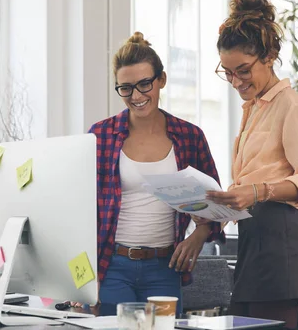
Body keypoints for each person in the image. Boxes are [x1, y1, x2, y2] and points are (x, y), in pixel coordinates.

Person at [206, 0, 298, 329]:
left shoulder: (291, 106)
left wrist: (255, 192)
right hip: (253, 237)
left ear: (269, 56)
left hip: (280, 239)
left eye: (243, 70)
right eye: (227, 73)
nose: (236, 81)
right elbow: (249, 181)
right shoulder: (254, 108)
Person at [88, 32, 224, 314]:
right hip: (111, 266)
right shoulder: (100, 136)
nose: (136, 96)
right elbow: (80, 209)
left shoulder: (189, 136)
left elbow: (216, 204)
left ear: (161, 80)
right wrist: (79, 281)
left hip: (165, 267)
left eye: (145, 84)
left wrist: (198, 236)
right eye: (125, 88)